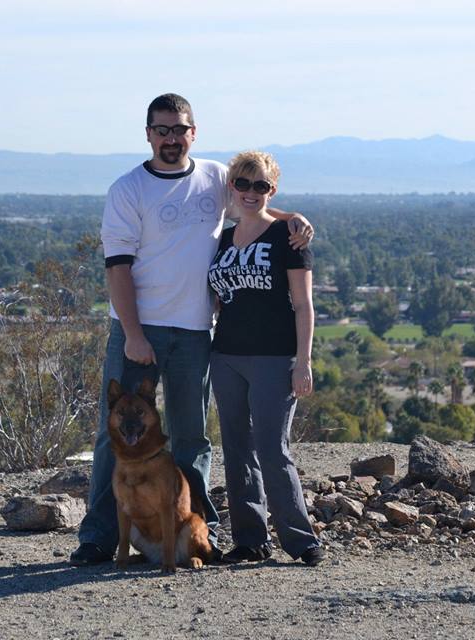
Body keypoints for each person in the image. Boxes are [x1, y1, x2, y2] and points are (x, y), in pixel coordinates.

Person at [70, 95, 313, 566]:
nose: (170, 138)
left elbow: (253, 204)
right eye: (161, 130)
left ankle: (201, 531)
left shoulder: (215, 178)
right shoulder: (127, 189)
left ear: (193, 132)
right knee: (114, 435)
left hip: (196, 332)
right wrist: (135, 335)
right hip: (138, 330)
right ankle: (98, 537)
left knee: (191, 438)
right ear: (147, 134)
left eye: (178, 129)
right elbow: (117, 269)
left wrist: (293, 219)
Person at [207, 151, 324, 566]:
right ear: (231, 187)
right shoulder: (220, 238)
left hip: (275, 357)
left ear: (272, 190)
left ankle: (301, 540)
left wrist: (303, 361)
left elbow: (304, 305)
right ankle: (250, 540)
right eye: (242, 183)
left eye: (261, 186)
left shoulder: (288, 237)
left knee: (273, 448)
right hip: (226, 356)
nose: (251, 192)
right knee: (237, 449)